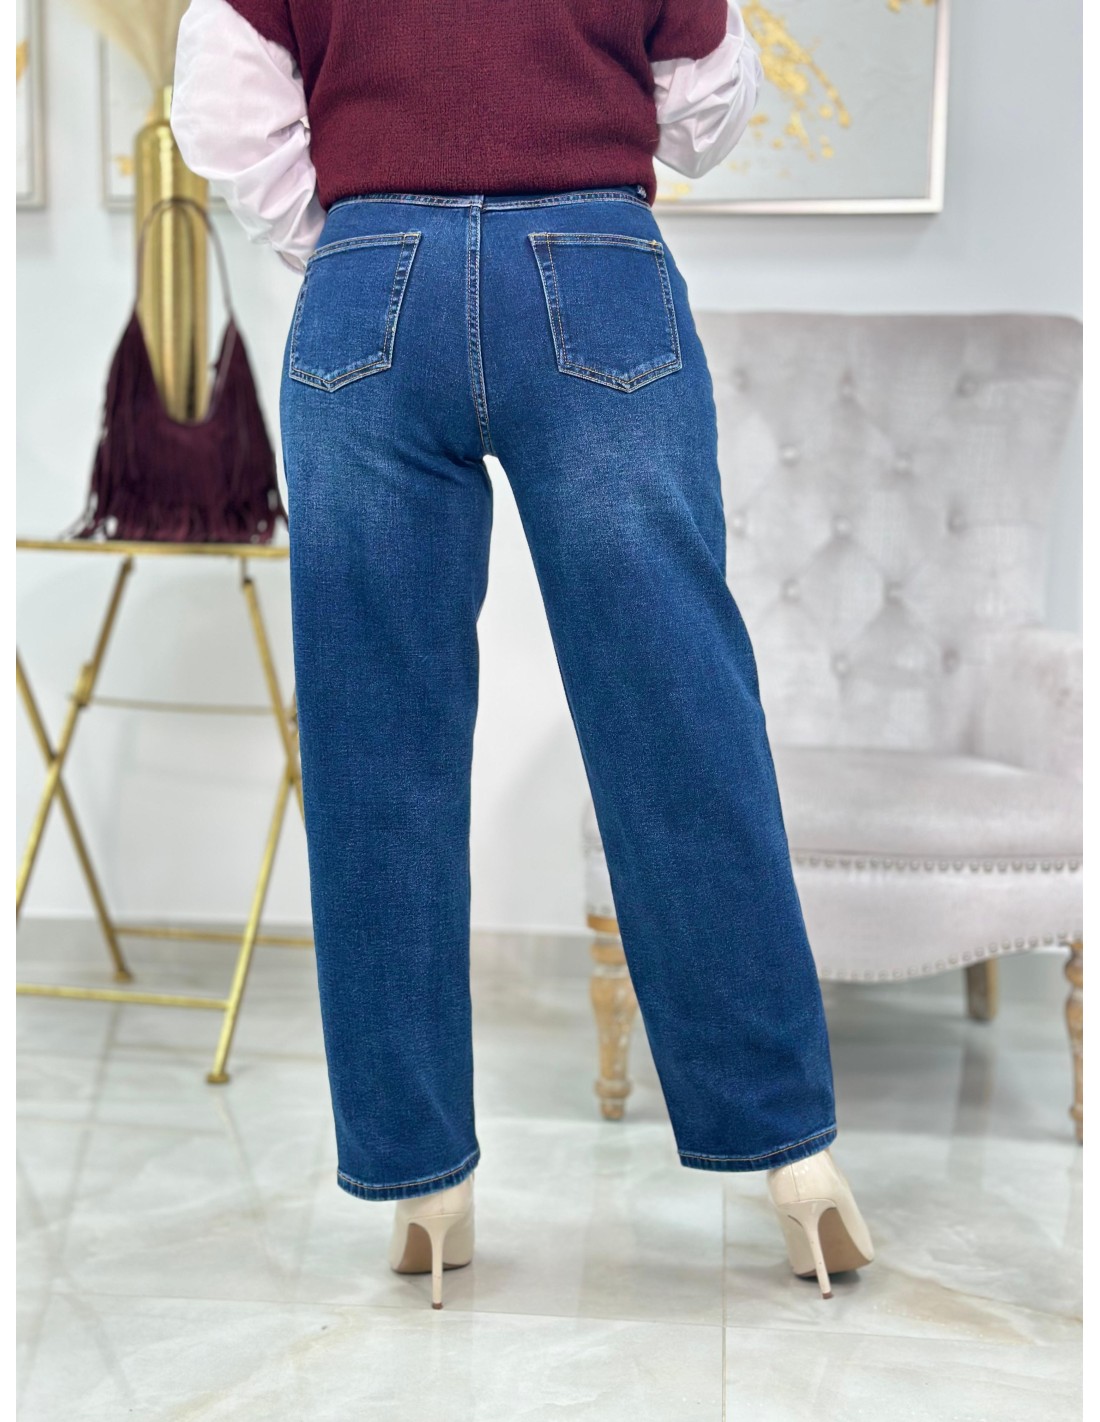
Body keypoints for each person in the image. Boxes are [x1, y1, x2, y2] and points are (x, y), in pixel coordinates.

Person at [171, 0, 873, 1311]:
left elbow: (225, 106)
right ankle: (794, 1156)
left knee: (377, 750)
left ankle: (422, 1184)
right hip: (594, 270)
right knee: (679, 720)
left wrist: (366, 235)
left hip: (371, 285)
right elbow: (708, 107)